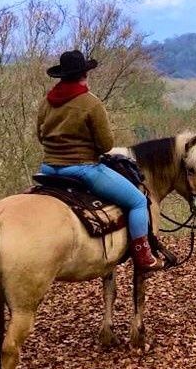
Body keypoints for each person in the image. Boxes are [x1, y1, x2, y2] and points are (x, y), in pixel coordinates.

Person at [37, 50, 161, 271]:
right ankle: (143, 256)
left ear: (62, 76)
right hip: (82, 170)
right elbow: (105, 145)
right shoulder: (90, 103)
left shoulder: (47, 102)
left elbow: (40, 135)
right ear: (84, 74)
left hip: (47, 169)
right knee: (138, 201)